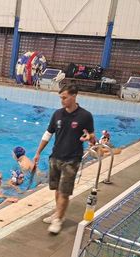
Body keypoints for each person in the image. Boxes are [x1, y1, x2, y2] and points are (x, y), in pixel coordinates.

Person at [33, 84, 95, 234]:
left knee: (64, 191)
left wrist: (89, 138)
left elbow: (92, 136)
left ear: (74, 96)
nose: (62, 101)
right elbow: (48, 134)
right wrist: (38, 152)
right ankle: (58, 213)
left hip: (72, 159)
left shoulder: (85, 116)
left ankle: (59, 219)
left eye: (65, 98)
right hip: (56, 157)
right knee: (56, 189)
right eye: (61, 98)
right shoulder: (57, 114)